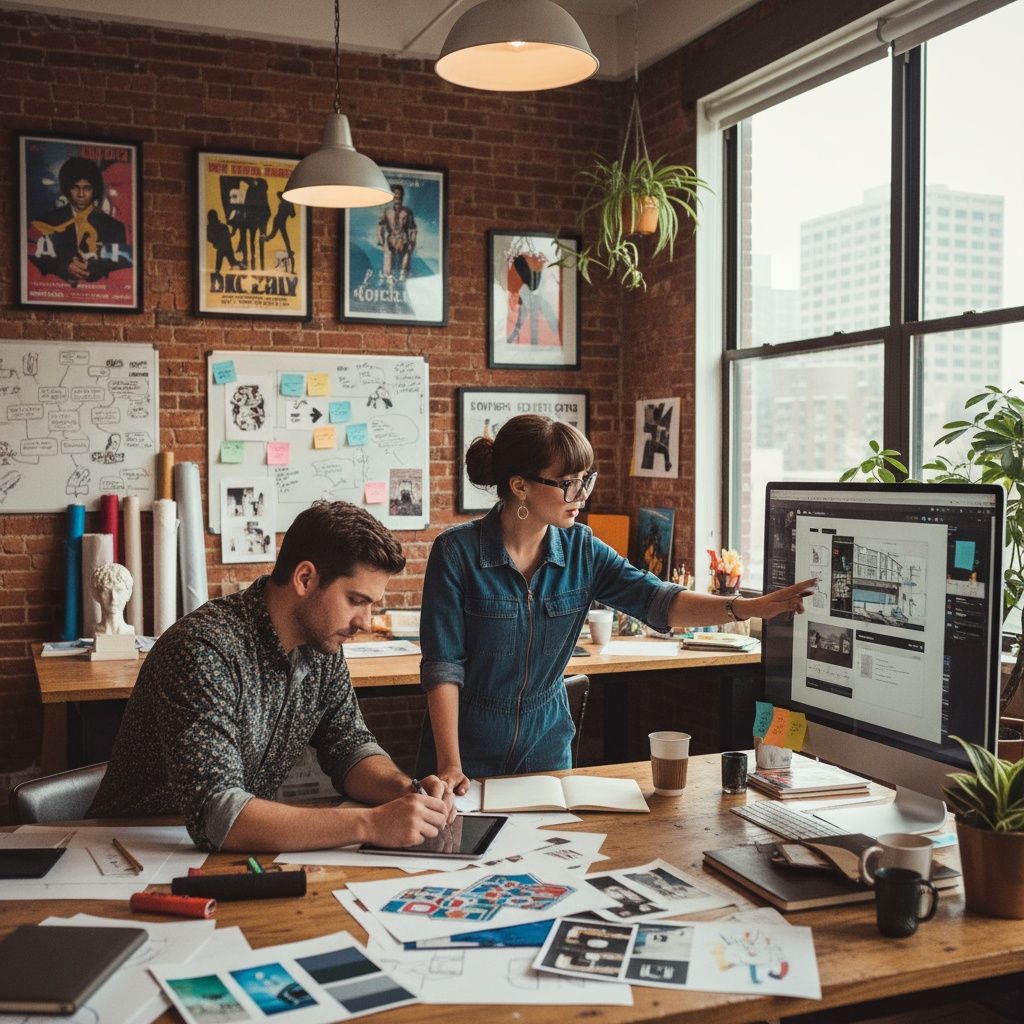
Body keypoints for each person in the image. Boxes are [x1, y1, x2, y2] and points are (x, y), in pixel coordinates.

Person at [418, 415, 815, 792]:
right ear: (520, 486)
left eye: (585, 481)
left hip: (547, 746)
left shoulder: (582, 550)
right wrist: (450, 763)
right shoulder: (456, 553)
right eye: (568, 483)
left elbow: (659, 601)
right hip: (467, 748)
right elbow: (443, 667)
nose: (582, 496)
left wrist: (747, 607)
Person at [89, 500, 455, 852]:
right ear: (305, 578)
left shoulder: (322, 645)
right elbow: (219, 815)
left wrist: (407, 791)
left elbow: (349, 746)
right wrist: (372, 824)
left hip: (220, 852)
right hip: (126, 853)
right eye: (356, 601)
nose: (365, 621)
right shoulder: (203, 650)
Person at [29, 155, 130, 285]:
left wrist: (94, 271)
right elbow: (34, 259)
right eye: (75, 187)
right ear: (67, 188)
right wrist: (62, 269)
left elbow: (118, 268)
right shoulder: (45, 222)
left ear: (95, 189)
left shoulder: (115, 228)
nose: (81, 194)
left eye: (87, 188)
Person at [376, 184, 416, 285]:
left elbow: (412, 228)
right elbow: (380, 225)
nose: (397, 196)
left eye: (399, 194)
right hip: (391, 239)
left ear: (402, 196)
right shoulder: (387, 211)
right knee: (388, 252)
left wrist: (412, 241)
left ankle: (403, 273)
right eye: (395, 194)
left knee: (407, 250)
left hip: (403, 239)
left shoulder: (407, 212)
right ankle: (388, 275)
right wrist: (380, 239)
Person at [91, 563, 134, 636]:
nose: (113, 598)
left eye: (119, 591)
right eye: (106, 591)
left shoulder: (128, 632)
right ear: (95, 594)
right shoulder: (98, 631)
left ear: (128, 594)